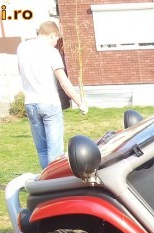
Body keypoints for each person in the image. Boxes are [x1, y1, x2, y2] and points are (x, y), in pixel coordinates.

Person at [17, 21, 88, 169]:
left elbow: (20, 71)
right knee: (55, 151)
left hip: (30, 103)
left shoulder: (22, 47)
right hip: (49, 103)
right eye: (56, 39)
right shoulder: (51, 52)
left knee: (42, 149)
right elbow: (64, 82)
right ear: (51, 35)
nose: (56, 43)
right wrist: (80, 103)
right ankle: (55, 181)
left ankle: (46, 179)